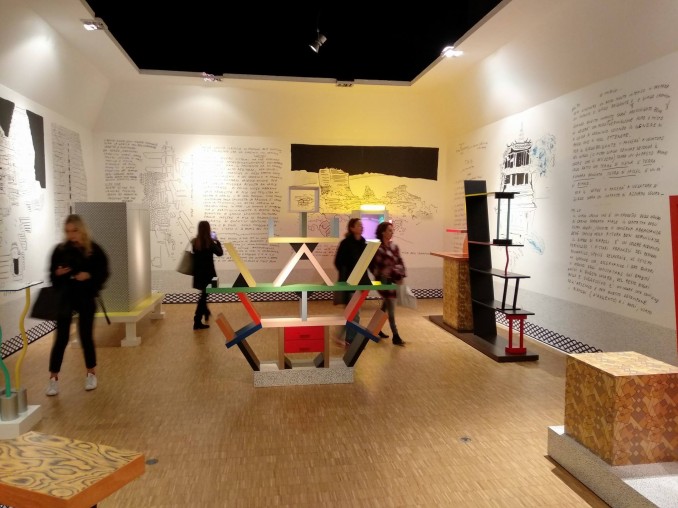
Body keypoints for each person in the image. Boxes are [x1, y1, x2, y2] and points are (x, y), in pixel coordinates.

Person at [46, 214, 110, 396]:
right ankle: (53, 378)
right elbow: (51, 276)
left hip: (85, 297)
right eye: (67, 231)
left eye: (74, 230)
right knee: (61, 338)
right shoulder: (60, 250)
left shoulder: (94, 250)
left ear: (82, 230)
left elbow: (104, 272)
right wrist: (58, 273)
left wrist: (88, 275)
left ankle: (91, 373)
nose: (71, 235)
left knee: (86, 336)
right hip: (66, 297)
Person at [333, 218, 375, 345]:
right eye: (358, 225)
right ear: (352, 228)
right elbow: (338, 262)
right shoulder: (345, 243)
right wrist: (347, 275)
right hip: (349, 283)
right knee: (354, 313)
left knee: (352, 312)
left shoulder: (364, 244)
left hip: (362, 282)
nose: (361, 227)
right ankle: (350, 340)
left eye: (362, 225)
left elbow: (368, 263)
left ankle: (340, 335)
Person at [369, 221, 406, 346]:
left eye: (392, 230)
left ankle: (376, 328)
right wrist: (387, 273)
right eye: (389, 230)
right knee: (390, 307)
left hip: (392, 280)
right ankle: (396, 336)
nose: (392, 232)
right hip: (381, 282)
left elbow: (399, 262)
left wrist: (400, 274)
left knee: (386, 305)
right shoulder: (378, 249)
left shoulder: (394, 247)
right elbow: (377, 267)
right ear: (383, 232)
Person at [192, 220, 223, 330]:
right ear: (208, 229)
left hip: (198, 274)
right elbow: (220, 253)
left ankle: (205, 312)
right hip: (208, 274)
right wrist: (217, 242)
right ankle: (197, 321)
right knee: (203, 297)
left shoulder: (195, 242)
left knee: (204, 295)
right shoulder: (209, 242)